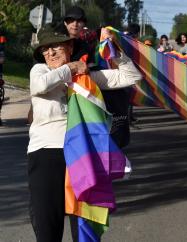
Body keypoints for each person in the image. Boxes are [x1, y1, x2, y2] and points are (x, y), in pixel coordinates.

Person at [27, 25, 142, 242]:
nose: (49, 53)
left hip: (81, 157)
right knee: (47, 228)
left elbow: (131, 77)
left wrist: (114, 47)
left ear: (69, 45)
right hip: (45, 155)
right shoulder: (40, 71)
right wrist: (71, 68)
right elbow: (40, 86)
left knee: (82, 229)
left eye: (55, 46)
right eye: (44, 49)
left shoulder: (86, 76)